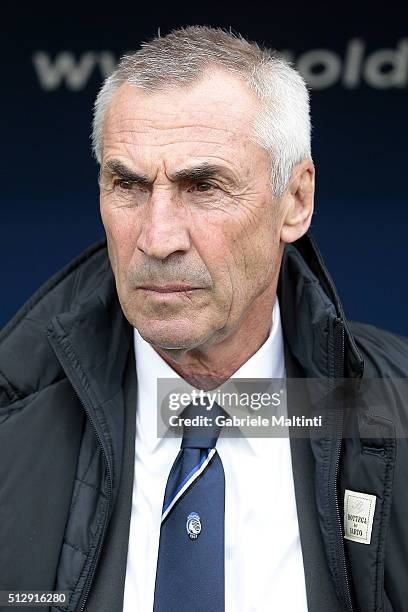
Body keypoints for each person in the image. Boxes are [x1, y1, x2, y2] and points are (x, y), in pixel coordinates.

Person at [0, 25, 407, 612]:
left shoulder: (393, 407)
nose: (158, 238)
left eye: (204, 186)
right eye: (129, 185)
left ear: (296, 201)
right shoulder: (13, 428)